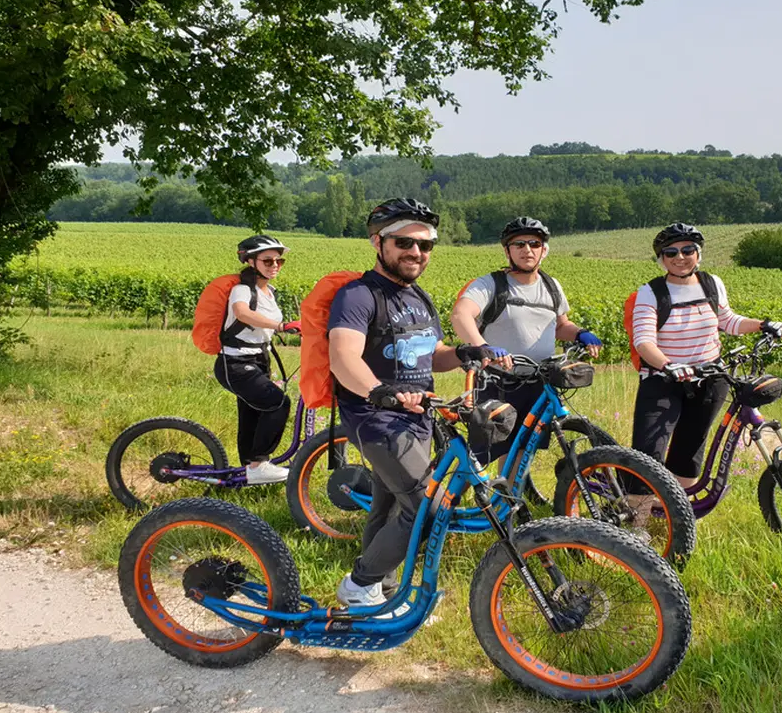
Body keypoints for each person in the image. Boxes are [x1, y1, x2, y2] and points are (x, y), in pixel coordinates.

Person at [328, 198, 499, 610]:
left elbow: (429, 353)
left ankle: (380, 592)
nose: (416, 253)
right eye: (404, 242)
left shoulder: (416, 297)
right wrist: (376, 391)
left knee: (389, 507)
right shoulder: (359, 296)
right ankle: (358, 584)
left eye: (425, 246)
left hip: (418, 416)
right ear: (378, 242)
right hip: (378, 419)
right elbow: (343, 356)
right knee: (429, 504)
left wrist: (462, 354)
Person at [630, 223, 782, 489]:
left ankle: (682, 515)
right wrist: (669, 366)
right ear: (662, 259)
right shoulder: (651, 292)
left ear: (698, 254)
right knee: (649, 451)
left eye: (688, 250)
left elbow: (727, 320)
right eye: (671, 253)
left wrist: (763, 324)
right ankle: (638, 522)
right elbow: (644, 342)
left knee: (690, 447)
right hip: (663, 379)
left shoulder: (711, 283)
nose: (680, 257)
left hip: (710, 377)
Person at [451, 216, 601, 465]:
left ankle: (505, 501)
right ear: (507, 250)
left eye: (534, 243)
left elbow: (560, 325)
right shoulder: (491, 284)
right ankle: (449, 501)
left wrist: (579, 333)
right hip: (497, 381)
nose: (527, 250)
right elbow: (461, 314)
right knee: (483, 455)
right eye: (518, 244)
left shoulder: (551, 286)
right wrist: (482, 347)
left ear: (544, 250)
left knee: (521, 452)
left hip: (538, 382)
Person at [214, 235, 300, 484]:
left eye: (279, 261)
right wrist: (281, 325)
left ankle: (247, 473)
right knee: (278, 403)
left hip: (258, 360)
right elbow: (242, 313)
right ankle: (258, 463)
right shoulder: (242, 290)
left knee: (251, 415)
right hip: (235, 363)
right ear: (251, 261)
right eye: (268, 260)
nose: (275, 265)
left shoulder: (269, 292)